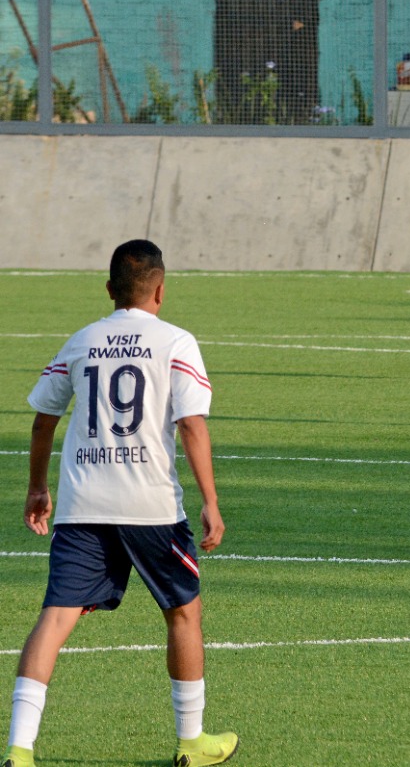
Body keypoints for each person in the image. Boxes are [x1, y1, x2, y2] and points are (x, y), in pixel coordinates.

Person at [4, 240, 237, 767]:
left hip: (83, 503)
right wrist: (211, 501)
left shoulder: (82, 340)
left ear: (109, 290)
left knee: (55, 617)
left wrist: (38, 487)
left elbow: (44, 418)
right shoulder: (175, 340)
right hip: (150, 505)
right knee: (183, 611)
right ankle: (191, 742)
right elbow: (191, 423)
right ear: (161, 290)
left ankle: (19, 749)